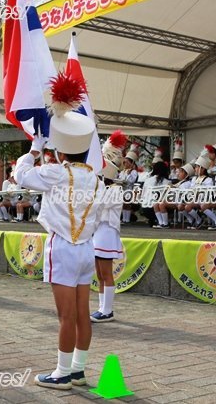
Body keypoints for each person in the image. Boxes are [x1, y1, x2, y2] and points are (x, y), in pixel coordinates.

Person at [15, 72, 104, 390]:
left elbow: (21, 175)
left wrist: (35, 147)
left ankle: (62, 373)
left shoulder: (56, 172)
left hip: (63, 247)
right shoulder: (95, 178)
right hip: (86, 248)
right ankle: (78, 370)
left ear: (62, 150)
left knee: (66, 316)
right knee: (82, 312)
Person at [91, 131, 125, 323]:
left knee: (106, 273)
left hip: (107, 232)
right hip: (98, 233)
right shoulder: (102, 188)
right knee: (99, 273)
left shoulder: (115, 190)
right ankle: (102, 308)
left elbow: (100, 208)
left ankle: (108, 310)